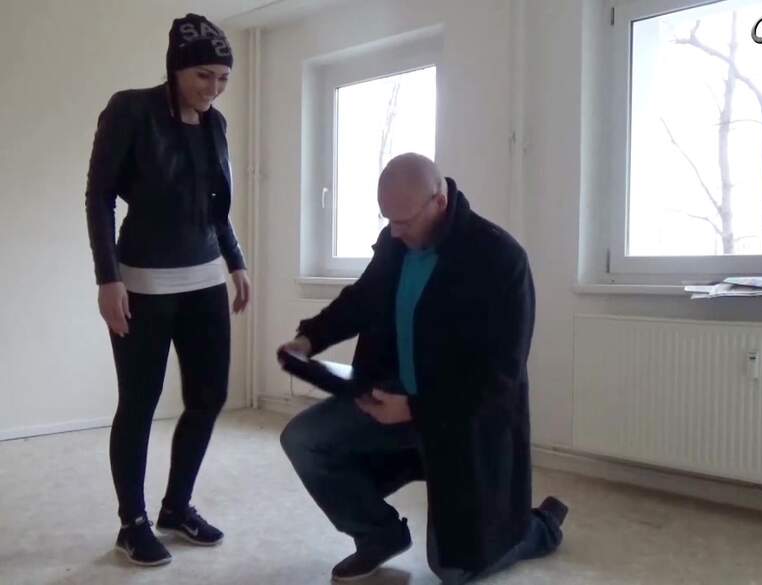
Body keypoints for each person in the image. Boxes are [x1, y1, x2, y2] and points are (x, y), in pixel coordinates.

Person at [278, 153, 567, 583]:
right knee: (304, 439)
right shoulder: (396, 242)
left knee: (454, 571)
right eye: (388, 220)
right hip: (392, 403)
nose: (394, 232)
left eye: (404, 221)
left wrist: (416, 407)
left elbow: (499, 377)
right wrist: (309, 338)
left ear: (439, 202)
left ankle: (537, 527)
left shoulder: (500, 260)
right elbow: (361, 299)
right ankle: (378, 536)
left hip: (460, 425)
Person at [84, 13, 250, 567]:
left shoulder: (216, 125)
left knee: (209, 396)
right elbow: (99, 197)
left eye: (222, 79)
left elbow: (216, 206)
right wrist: (108, 277)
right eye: (203, 76)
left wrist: (236, 262)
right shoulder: (131, 110)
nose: (213, 89)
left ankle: (176, 507)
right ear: (176, 68)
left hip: (204, 280)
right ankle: (131, 523)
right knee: (139, 402)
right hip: (142, 282)